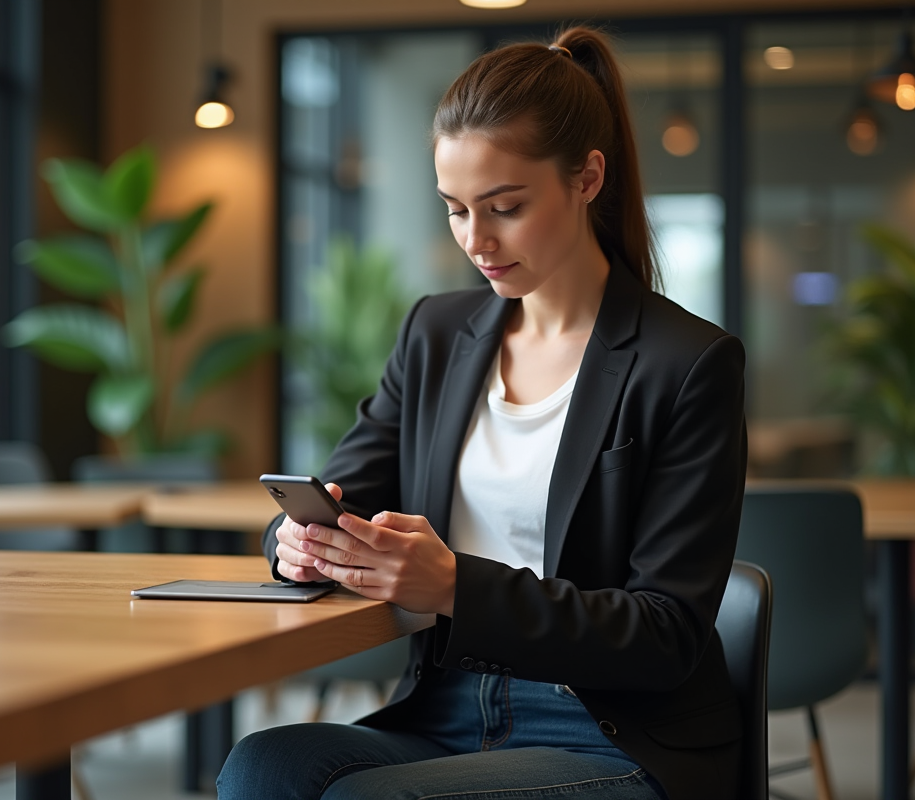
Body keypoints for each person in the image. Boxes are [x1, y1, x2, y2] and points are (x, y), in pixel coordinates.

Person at [218, 25, 746, 800]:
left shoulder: (686, 362)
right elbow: (339, 494)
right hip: (448, 708)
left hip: (610, 730)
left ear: (587, 177)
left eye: (505, 206)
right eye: (456, 210)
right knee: (261, 768)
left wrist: (456, 586)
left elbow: (664, 634)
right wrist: (296, 540)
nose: (477, 239)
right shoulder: (437, 334)